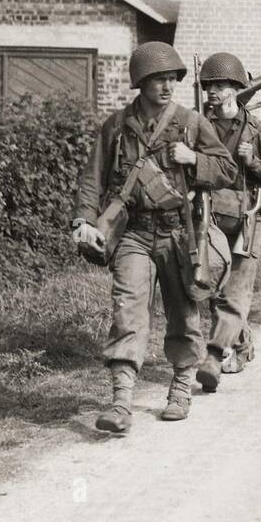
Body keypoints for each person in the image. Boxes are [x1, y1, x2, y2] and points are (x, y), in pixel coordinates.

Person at [73, 41, 238, 432]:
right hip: (133, 233)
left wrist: (194, 159)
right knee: (127, 311)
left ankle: (180, 389)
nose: (167, 86)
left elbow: (227, 170)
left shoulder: (192, 123)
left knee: (184, 313)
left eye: (172, 79)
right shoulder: (115, 126)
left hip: (179, 233)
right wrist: (82, 221)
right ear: (141, 82)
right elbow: (91, 178)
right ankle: (120, 403)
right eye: (159, 79)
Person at [194, 52, 261, 392]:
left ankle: (213, 354)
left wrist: (253, 164)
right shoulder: (196, 126)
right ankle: (240, 342)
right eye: (208, 85)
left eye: (220, 85)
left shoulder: (258, 130)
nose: (213, 92)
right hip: (209, 217)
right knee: (212, 288)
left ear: (236, 89)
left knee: (236, 291)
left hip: (247, 218)